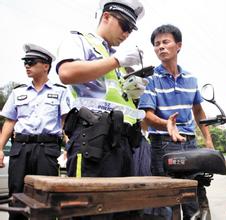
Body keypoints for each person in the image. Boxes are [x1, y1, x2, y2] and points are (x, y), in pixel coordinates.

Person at [56, 0, 147, 218]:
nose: (126, 34)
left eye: (130, 29)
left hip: (122, 142)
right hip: (93, 141)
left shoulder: (113, 59)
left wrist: (132, 92)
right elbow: (66, 72)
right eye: (124, 25)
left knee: (124, 212)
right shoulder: (80, 40)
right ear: (106, 17)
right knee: (91, 212)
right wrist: (117, 61)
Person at [138, 24, 214, 220]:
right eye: (156, 44)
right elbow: (147, 115)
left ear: (178, 46)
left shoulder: (191, 79)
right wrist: (166, 124)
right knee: (167, 199)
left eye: (165, 42)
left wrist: (208, 139)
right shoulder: (150, 79)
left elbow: (198, 110)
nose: (160, 47)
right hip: (163, 143)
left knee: (193, 194)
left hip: (189, 142)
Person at [0, 43, 72, 220]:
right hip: (20, 148)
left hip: (46, 149)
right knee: (16, 194)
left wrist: (70, 149)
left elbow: (65, 123)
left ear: (46, 66)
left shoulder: (60, 92)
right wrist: (0, 148)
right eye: (25, 62)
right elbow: (9, 122)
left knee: (45, 197)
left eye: (31, 62)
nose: (27, 66)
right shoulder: (18, 93)